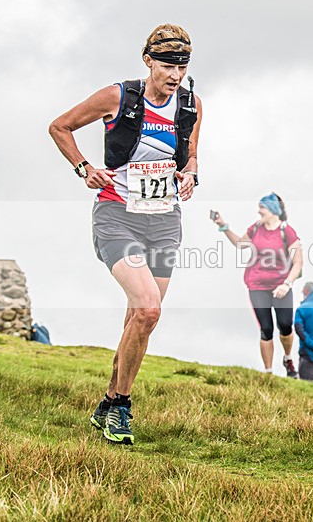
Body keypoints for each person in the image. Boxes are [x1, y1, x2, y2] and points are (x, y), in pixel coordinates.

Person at [49, 24, 202, 444]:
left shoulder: (190, 104)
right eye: (168, 65)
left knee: (138, 318)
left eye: (183, 67)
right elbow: (59, 126)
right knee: (149, 309)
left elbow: (189, 154)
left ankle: (108, 402)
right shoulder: (119, 96)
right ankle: (122, 407)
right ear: (148, 60)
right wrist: (84, 167)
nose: (175, 75)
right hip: (117, 214)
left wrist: (190, 175)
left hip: (164, 218)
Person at [212, 193, 303, 377]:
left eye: (262, 207)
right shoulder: (256, 228)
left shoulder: (287, 232)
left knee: (285, 325)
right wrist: (222, 225)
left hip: (281, 285)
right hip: (257, 284)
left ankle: (287, 358)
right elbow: (239, 244)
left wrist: (286, 284)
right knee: (266, 328)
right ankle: (268, 372)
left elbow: (298, 263)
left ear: (273, 210)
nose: (258, 211)